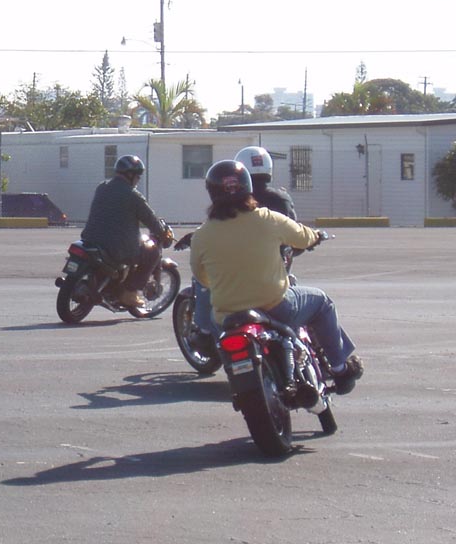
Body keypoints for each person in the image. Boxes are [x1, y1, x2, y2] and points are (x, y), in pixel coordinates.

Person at [190, 159, 363, 394]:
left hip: (227, 315)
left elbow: (201, 276)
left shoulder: (202, 235)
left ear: (212, 193)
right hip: (276, 306)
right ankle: (340, 369)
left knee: (213, 319)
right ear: (247, 187)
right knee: (322, 302)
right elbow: (302, 237)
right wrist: (316, 236)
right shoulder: (267, 218)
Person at [192, 146, 296, 341]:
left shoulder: (236, 201)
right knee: (316, 301)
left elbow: (222, 229)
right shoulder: (281, 199)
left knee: (202, 281)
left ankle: (204, 331)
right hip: (278, 272)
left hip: (239, 281)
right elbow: (296, 233)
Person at [79, 155, 173, 307]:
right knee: (152, 252)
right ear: (131, 175)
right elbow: (150, 219)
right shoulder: (133, 196)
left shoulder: (102, 187)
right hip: (116, 248)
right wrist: (164, 234)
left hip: (90, 239)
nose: (138, 180)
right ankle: (130, 292)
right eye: (138, 177)